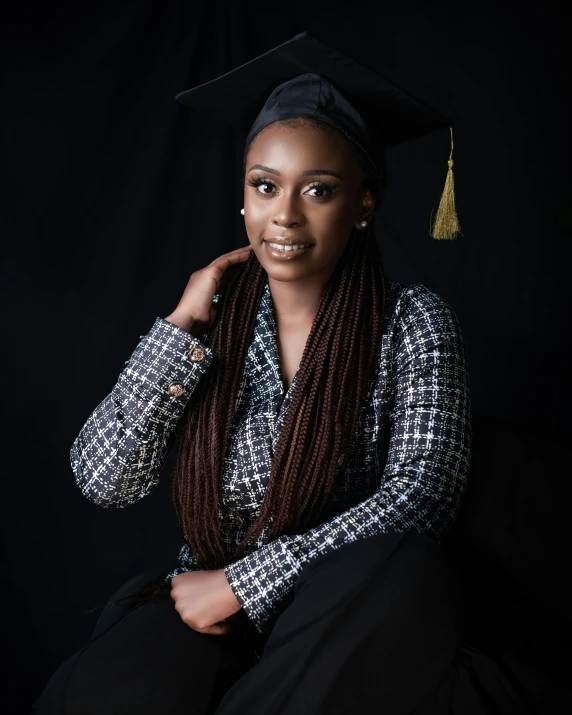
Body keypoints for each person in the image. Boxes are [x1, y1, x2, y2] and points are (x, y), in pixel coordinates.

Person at [33, 32, 534, 715]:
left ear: (363, 204)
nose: (285, 215)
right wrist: (178, 331)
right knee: (110, 689)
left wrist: (250, 578)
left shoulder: (411, 320)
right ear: (244, 198)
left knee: (400, 568)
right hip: (207, 607)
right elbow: (103, 479)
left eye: (319, 190)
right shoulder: (213, 322)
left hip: (346, 614)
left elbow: (421, 497)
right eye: (265, 186)